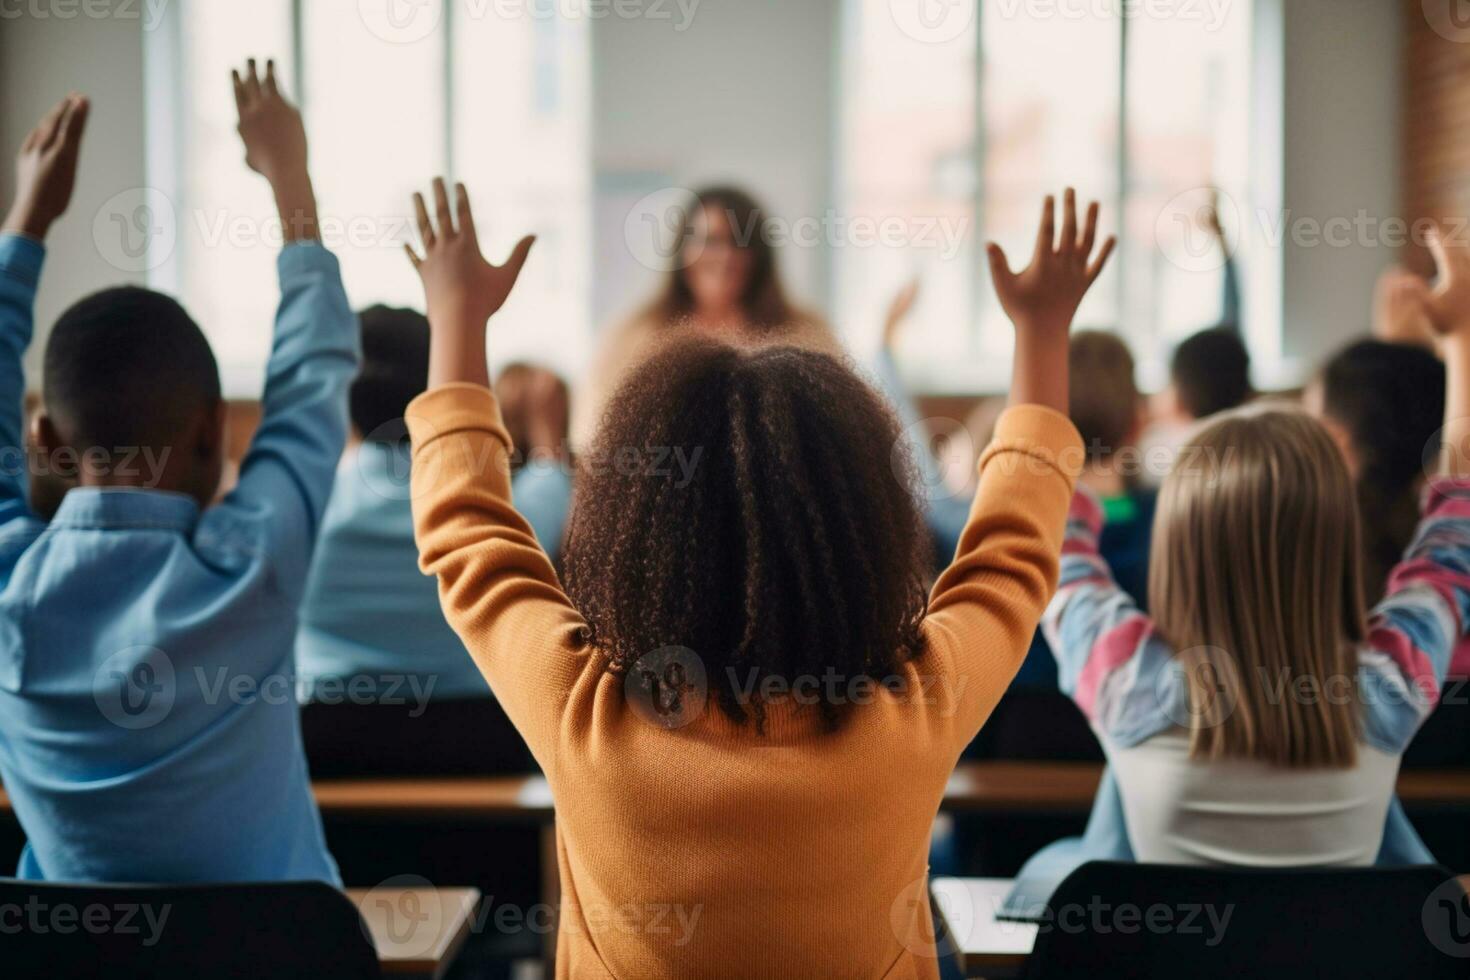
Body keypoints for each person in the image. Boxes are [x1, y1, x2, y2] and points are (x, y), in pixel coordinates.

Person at [401, 181, 1111, 976]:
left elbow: (465, 530)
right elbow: (1013, 551)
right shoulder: (914, 714)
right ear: (866, 536)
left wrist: (456, 317)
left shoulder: (585, 714)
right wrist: (1044, 334)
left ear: (632, 533)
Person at [0, 61, 354, 883]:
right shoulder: (255, 566)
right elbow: (311, 377)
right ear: (212, 435)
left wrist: (27, 223)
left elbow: (310, 374)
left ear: (44, 439)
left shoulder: (9, 589)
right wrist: (289, 179)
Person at [1040, 225, 1470, 871]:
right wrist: (1460, 339)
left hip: (1161, 961)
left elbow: (1046, 521)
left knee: (1054, 867)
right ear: (1336, 539)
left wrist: (1041, 332)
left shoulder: (1126, 680)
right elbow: (1454, 522)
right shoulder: (1391, 683)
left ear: (1178, 544)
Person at [295, 308, 567, 776]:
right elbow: (551, 495)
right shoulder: (487, 505)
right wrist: (546, 441)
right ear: (437, 391)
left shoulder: (308, 508)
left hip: (329, 746)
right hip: (480, 745)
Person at [572, 185, 837, 447]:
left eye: (739, 243)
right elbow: (591, 434)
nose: (725, 257)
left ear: (760, 255)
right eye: (711, 241)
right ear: (682, 251)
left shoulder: (807, 334)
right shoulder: (631, 338)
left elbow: (837, 428)